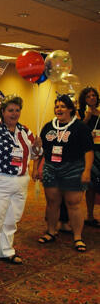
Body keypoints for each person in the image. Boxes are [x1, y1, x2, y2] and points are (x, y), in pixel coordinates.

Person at [0, 95, 41, 266]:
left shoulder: (25, 131)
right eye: (10, 110)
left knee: (12, 219)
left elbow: (33, 155)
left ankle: (6, 250)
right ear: (3, 112)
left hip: (20, 180)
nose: (14, 114)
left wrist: (37, 147)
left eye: (17, 110)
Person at [33, 95, 93, 252]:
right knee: (52, 203)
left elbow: (88, 151)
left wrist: (87, 171)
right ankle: (51, 232)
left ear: (70, 109)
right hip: (51, 168)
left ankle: (78, 237)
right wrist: (35, 161)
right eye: (57, 106)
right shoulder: (48, 126)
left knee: (73, 204)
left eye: (62, 106)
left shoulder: (80, 127)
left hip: (73, 168)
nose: (59, 109)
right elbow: (40, 151)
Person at [77, 86, 100, 228]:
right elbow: (78, 130)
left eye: (94, 95)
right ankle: (89, 215)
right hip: (88, 153)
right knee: (90, 185)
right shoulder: (80, 113)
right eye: (89, 96)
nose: (92, 98)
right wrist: (87, 118)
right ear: (84, 99)